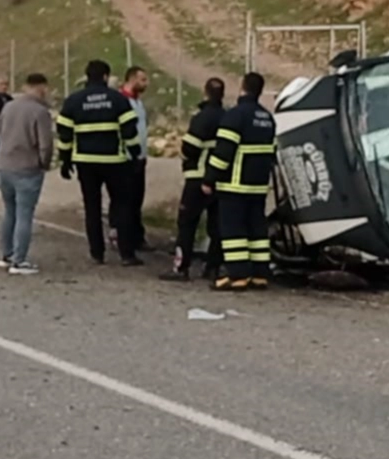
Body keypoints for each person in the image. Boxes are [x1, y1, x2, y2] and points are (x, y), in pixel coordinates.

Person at [56, 59, 144, 266]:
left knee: (92, 207)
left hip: (86, 162)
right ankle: (126, 253)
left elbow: (65, 134)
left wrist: (65, 161)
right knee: (121, 206)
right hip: (115, 161)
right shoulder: (118, 99)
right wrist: (136, 155)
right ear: (106, 77)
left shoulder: (73, 101)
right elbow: (130, 131)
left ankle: (97, 253)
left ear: (87, 76)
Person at [203, 72, 276, 291]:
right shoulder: (267, 118)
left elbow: (223, 151)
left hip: (234, 184)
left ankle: (237, 275)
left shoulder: (235, 116)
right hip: (258, 185)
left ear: (242, 87)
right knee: (257, 231)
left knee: (233, 231)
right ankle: (260, 274)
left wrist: (209, 178)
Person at [161, 77, 226, 283]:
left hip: (197, 177)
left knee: (187, 223)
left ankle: (181, 267)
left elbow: (189, 147)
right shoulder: (228, 117)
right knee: (217, 226)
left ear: (205, 93)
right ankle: (213, 268)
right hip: (219, 179)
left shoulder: (201, 118)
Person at [0, 73, 54, 275]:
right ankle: (19, 261)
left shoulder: (8, 106)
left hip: (4, 165)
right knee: (24, 214)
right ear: (41, 88)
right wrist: (43, 164)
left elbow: (0, 133)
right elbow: (45, 144)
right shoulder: (40, 112)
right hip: (27, 168)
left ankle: (6, 254)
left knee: (9, 211)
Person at [110, 66, 152, 252]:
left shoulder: (138, 103)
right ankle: (118, 233)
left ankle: (136, 236)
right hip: (125, 158)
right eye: (142, 80)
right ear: (132, 79)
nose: (146, 84)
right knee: (123, 200)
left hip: (139, 158)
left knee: (136, 199)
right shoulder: (121, 102)